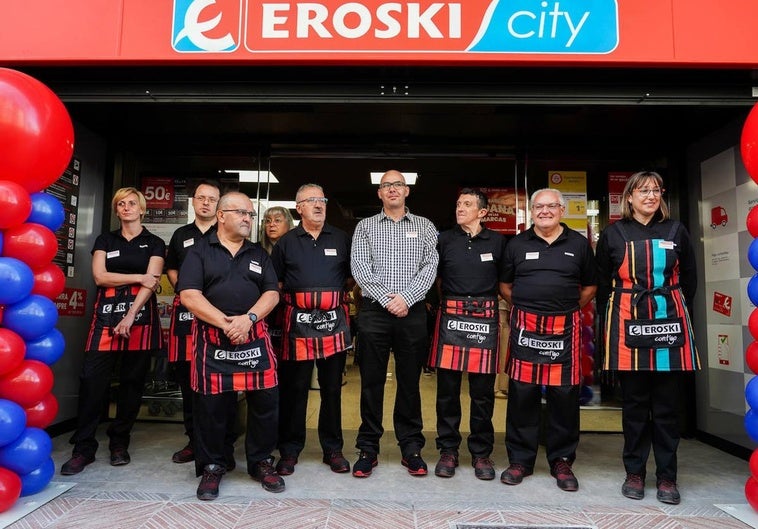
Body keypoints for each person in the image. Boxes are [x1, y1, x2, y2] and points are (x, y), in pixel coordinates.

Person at [595, 171, 699, 505]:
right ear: (628, 197)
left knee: (668, 408)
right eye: (643, 190)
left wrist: (667, 306)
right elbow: (601, 285)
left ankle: (667, 477)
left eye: (656, 190)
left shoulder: (676, 230)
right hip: (629, 325)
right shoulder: (614, 233)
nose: (650, 196)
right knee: (635, 406)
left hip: (668, 325)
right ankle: (635, 473)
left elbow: (691, 280)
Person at [178, 191, 283, 500]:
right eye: (241, 213)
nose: (248, 219)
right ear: (222, 216)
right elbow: (189, 295)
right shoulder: (199, 252)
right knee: (212, 408)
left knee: (265, 402)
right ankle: (212, 466)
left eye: (251, 214)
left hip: (253, 336)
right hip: (213, 339)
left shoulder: (259, 254)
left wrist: (248, 319)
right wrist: (226, 323)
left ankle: (261, 462)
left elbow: (272, 293)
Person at [60, 187, 165, 475]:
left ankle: (119, 443)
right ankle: (84, 448)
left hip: (140, 317)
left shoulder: (154, 242)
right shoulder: (105, 239)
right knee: (92, 381)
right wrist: (138, 276)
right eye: (121, 204)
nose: (127, 207)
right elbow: (100, 276)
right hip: (105, 318)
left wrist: (131, 313)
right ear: (116, 210)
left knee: (132, 385)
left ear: (142, 209)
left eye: (132, 203)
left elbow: (152, 283)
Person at [500, 188, 597, 492]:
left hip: (564, 327)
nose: (544, 211)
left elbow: (591, 286)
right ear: (531, 211)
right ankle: (520, 460)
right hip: (526, 326)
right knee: (522, 395)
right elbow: (504, 285)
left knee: (565, 396)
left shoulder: (579, 245)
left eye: (551, 206)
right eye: (539, 206)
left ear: (561, 210)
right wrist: (530, 308)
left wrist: (563, 309)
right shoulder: (516, 244)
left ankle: (562, 460)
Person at [350, 169, 439, 477]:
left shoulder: (426, 226)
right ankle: (368, 447)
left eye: (397, 184)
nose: (392, 190)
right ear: (379, 193)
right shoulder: (365, 227)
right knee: (372, 383)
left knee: (410, 383)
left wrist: (407, 298)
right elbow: (360, 268)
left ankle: (411, 447)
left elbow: (430, 267)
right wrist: (388, 299)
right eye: (386, 185)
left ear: (407, 191)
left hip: (412, 313)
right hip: (375, 312)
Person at [271, 183, 352, 476]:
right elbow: (275, 284)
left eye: (322, 199)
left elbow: (351, 279)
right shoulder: (286, 242)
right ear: (299, 207)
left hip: (334, 323)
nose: (318, 204)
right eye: (311, 200)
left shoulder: (342, 238)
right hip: (298, 326)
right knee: (295, 390)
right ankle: (290, 450)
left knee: (332, 390)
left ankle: (333, 449)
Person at [429, 188, 507, 480]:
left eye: (467, 204)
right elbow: (434, 279)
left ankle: (481, 453)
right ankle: (448, 451)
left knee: (482, 393)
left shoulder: (498, 242)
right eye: (458, 203)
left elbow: (505, 281)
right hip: (451, 316)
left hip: (484, 318)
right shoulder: (444, 239)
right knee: (447, 391)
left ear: (483, 212)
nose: (460, 208)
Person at [165, 179, 221, 465]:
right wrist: (187, 293)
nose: (206, 202)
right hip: (186, 314)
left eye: (212, 199)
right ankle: (192, 440)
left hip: (217, 315)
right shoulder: (180, 234)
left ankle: (219, 440)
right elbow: (172, 269)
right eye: (201, 197)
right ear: (194, 201)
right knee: (189, 380)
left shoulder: (224, 233)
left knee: (215, 378)